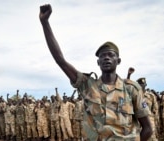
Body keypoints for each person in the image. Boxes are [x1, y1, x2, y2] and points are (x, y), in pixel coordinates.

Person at [39, 4, 152, 141]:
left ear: (118, 61)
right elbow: (60, 60)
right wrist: (45, 23)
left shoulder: (131, 89)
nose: (106, 58)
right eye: (102, 56)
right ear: (98, 63)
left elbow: (147, 129)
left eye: (111, 55)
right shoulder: (87, 85)